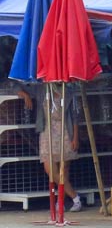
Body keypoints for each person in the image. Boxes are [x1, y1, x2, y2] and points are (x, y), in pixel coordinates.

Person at [17, 83, 82, 212]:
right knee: (50, 169)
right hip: (47, 131)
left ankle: (61, 201)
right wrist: (25, 95)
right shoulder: (41, 89)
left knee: (64, 169)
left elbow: (75, 117)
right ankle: (75, 197)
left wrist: (75, 137)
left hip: (65, 131)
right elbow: (16, 85)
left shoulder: (69, 91)